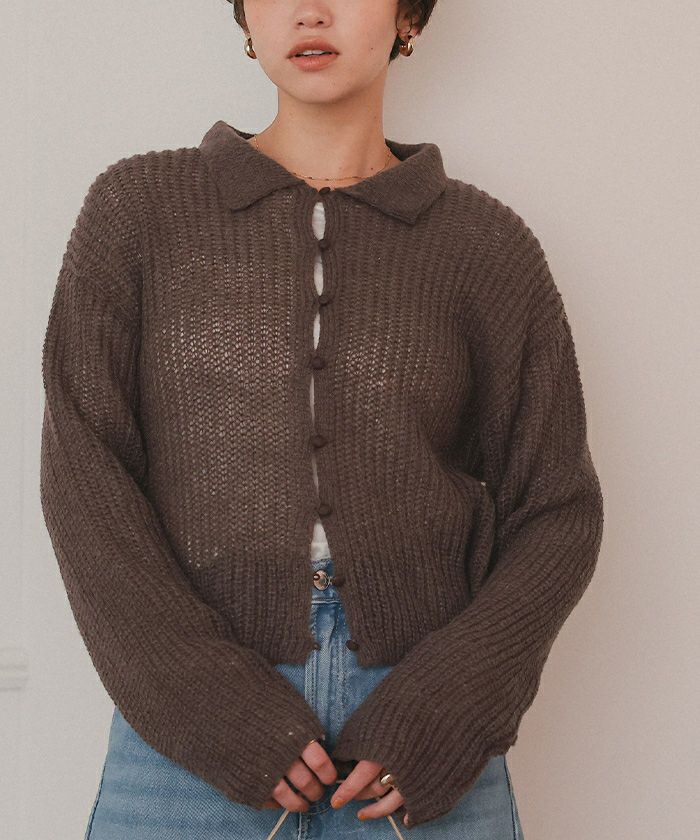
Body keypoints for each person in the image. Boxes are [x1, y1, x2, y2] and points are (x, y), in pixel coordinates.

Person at [39, 1, 604, 838]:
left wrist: (450, 705)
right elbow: (84, 470)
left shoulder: (485, 245)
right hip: (183, 733)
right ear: (246, 20)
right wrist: (202, 697)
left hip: (417, 734)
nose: (309, 10)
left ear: (409, 18)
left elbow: (557, 507)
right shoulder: (139, 210)